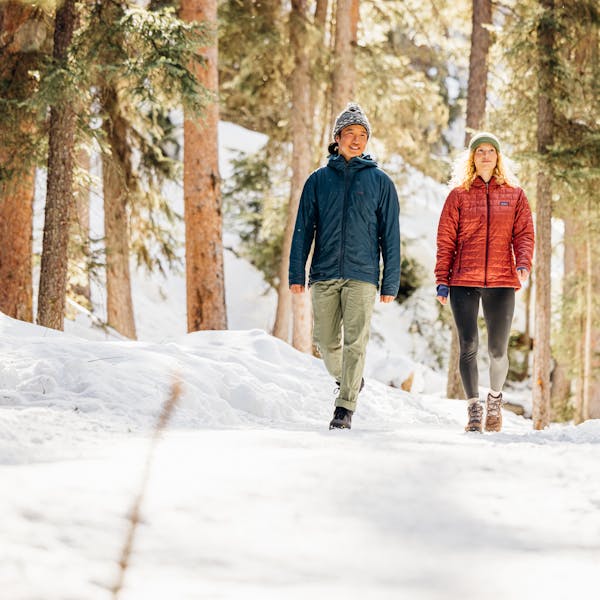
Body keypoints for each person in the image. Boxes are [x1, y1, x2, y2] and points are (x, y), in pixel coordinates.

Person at [289, 103, 401, 430]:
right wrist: (297, 273)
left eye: (362, 134)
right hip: (324, 273)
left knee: (356, 340)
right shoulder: (317, 181)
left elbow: (390, 236)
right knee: (324, 340)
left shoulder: (381, 183)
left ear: (368, 141)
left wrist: (389, 282)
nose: (356, 139)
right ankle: (349, 378)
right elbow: (302, 229)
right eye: (349, 133)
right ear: (336, 138)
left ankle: (345, 406)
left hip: (363, 275)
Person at [435, 131, 534, 433]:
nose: (486, 156)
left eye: (491, 151)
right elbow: (445, 240)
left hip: (502, 281)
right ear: (473, 158)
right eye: (480, 151)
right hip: (463, 279)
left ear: (498, 157)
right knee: (468, 345)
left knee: (497, 351)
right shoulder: (458, 196)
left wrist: (523, 262)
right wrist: (442, 278)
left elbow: (524, 234)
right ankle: (474, 409)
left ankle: (494, 401)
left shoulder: (515, 195)